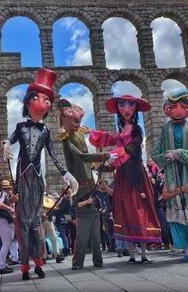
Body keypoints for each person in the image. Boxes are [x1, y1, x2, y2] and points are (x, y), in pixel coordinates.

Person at [3, 68, 75, 280]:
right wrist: (7, 143)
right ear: (28, 103)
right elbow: (11, 139)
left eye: (46, 99)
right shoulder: (20, 126)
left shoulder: (46, 131)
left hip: (37, 179)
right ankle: (24, 265)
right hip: (23, 178)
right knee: (23, 224)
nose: (42, 103)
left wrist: (66, 174)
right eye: (37, 97)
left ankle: (39, 263)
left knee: (36, 223)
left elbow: (53, 154)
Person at [90, 94, 161, 263]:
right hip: (122, 175)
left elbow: (133, 147)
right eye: (122, 105)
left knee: (139, 212)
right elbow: (110, 146)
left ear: (135, 108)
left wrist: (116, 153)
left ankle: (143, 254)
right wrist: (101, 164)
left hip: (135, 174)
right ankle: (131, 254)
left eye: (130, 105)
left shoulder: (136, 129)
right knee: (124, 213)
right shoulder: (119, 132)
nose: (127, 110)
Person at [151, 89, 188, 262]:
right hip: (171, 176)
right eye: (173, 107)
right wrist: (167, 158)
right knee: (177, 219)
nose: (177, 111)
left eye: (182, 107)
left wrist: (180, 153)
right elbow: (156, 154)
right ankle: (185, 250)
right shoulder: (165, 128)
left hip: (187, 176)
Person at [57, 99, 114, 269]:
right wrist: (102, 156)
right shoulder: (66, 138)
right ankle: (77, 263)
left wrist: (102, 163)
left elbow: (87, 156)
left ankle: (98, 261)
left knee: (96, 236)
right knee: (81, 237)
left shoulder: (80, 134)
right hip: (81, 187)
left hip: (90, 185)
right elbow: (81, 156)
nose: (77, 124)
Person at [0, 179, 16, 274]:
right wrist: (9, 208)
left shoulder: (2, 194)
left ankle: (1, 265)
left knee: (7, 242)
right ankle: (1, 266)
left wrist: (10, 202)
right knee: (7, 242)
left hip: (1, 220)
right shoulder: (1, 194)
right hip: (2, 220)